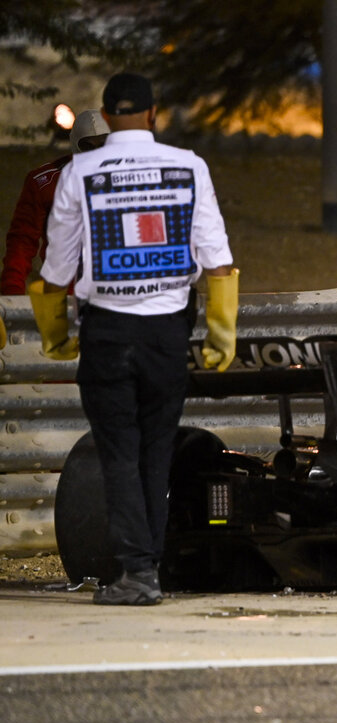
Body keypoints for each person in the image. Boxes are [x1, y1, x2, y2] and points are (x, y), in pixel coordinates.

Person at [30, 73, 239, 606]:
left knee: (118, 453)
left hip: (107, 331)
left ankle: (137, 571)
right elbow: (218, 261)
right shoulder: (189, 167)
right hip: (167, 334)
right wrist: (221, 334)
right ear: (152, 113)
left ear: (104, 114)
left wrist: (56, 334)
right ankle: (150, 568)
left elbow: (56, 266)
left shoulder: (79, 171)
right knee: (155, 450)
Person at [2, 110, 111, 296]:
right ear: (75, 146)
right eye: (88, 146)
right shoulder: (45, 182)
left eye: (103, 145)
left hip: (121, 291)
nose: (96, 153)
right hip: (65, 294)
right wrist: (12, 290)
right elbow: (22, 241)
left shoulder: (136, 176)